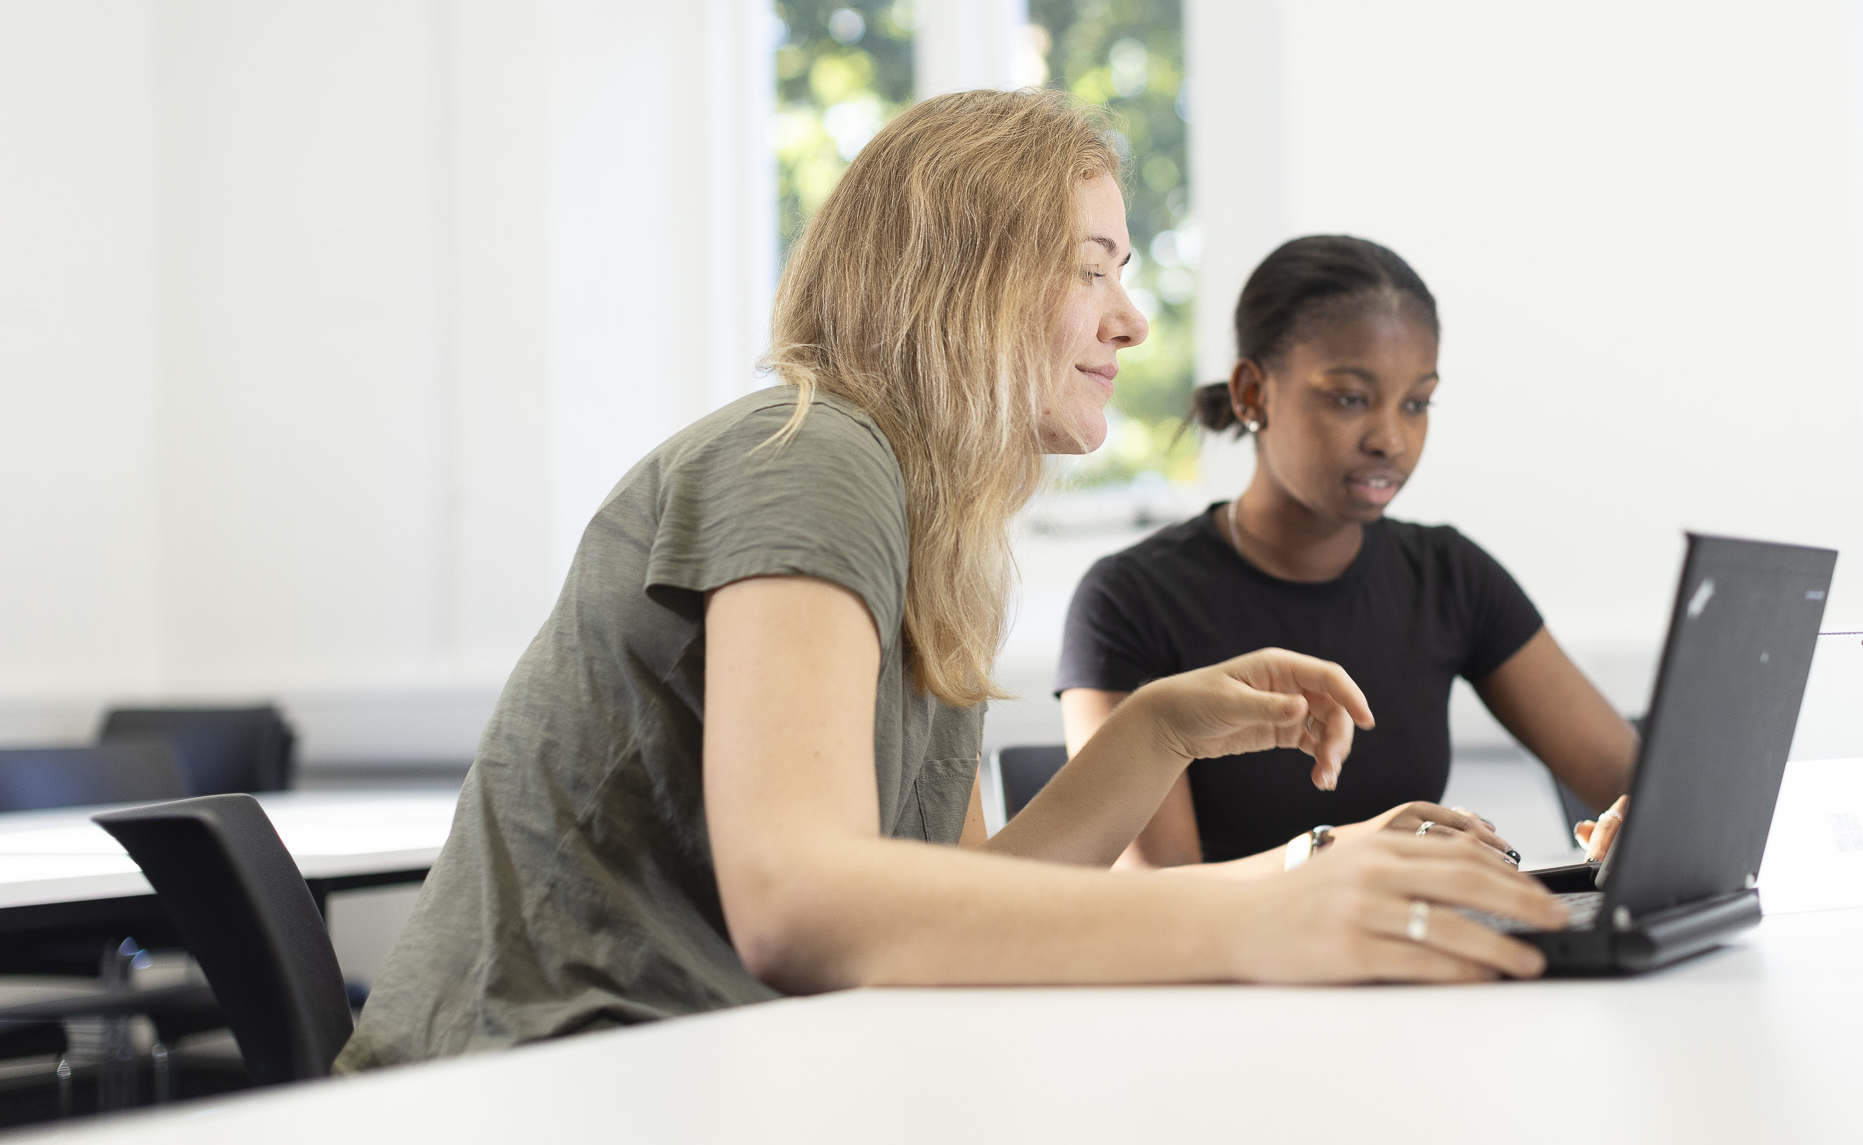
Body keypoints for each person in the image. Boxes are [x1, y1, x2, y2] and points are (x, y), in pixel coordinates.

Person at [336, 94, 1569, 1071]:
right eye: (1094, 268)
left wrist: (1156, 730)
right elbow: (800, 900)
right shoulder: (812, 457)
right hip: (527, 1082)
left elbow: (964, 911)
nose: (1132, 322)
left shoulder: (932, 531)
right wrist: (1266, 909)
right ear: (964, 278)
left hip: (698, 1068)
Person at [1057, 236, 1637, 870]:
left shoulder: (1449, 576)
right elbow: (1153, 901)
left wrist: (1640, 816)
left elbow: (1637, 781)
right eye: (1350, 399)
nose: (1391, 438)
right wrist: (1343, 855)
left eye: (1416, 403)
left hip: (1410, 954)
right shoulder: (1130, 600)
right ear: (1253, 392)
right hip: (1230, 966)